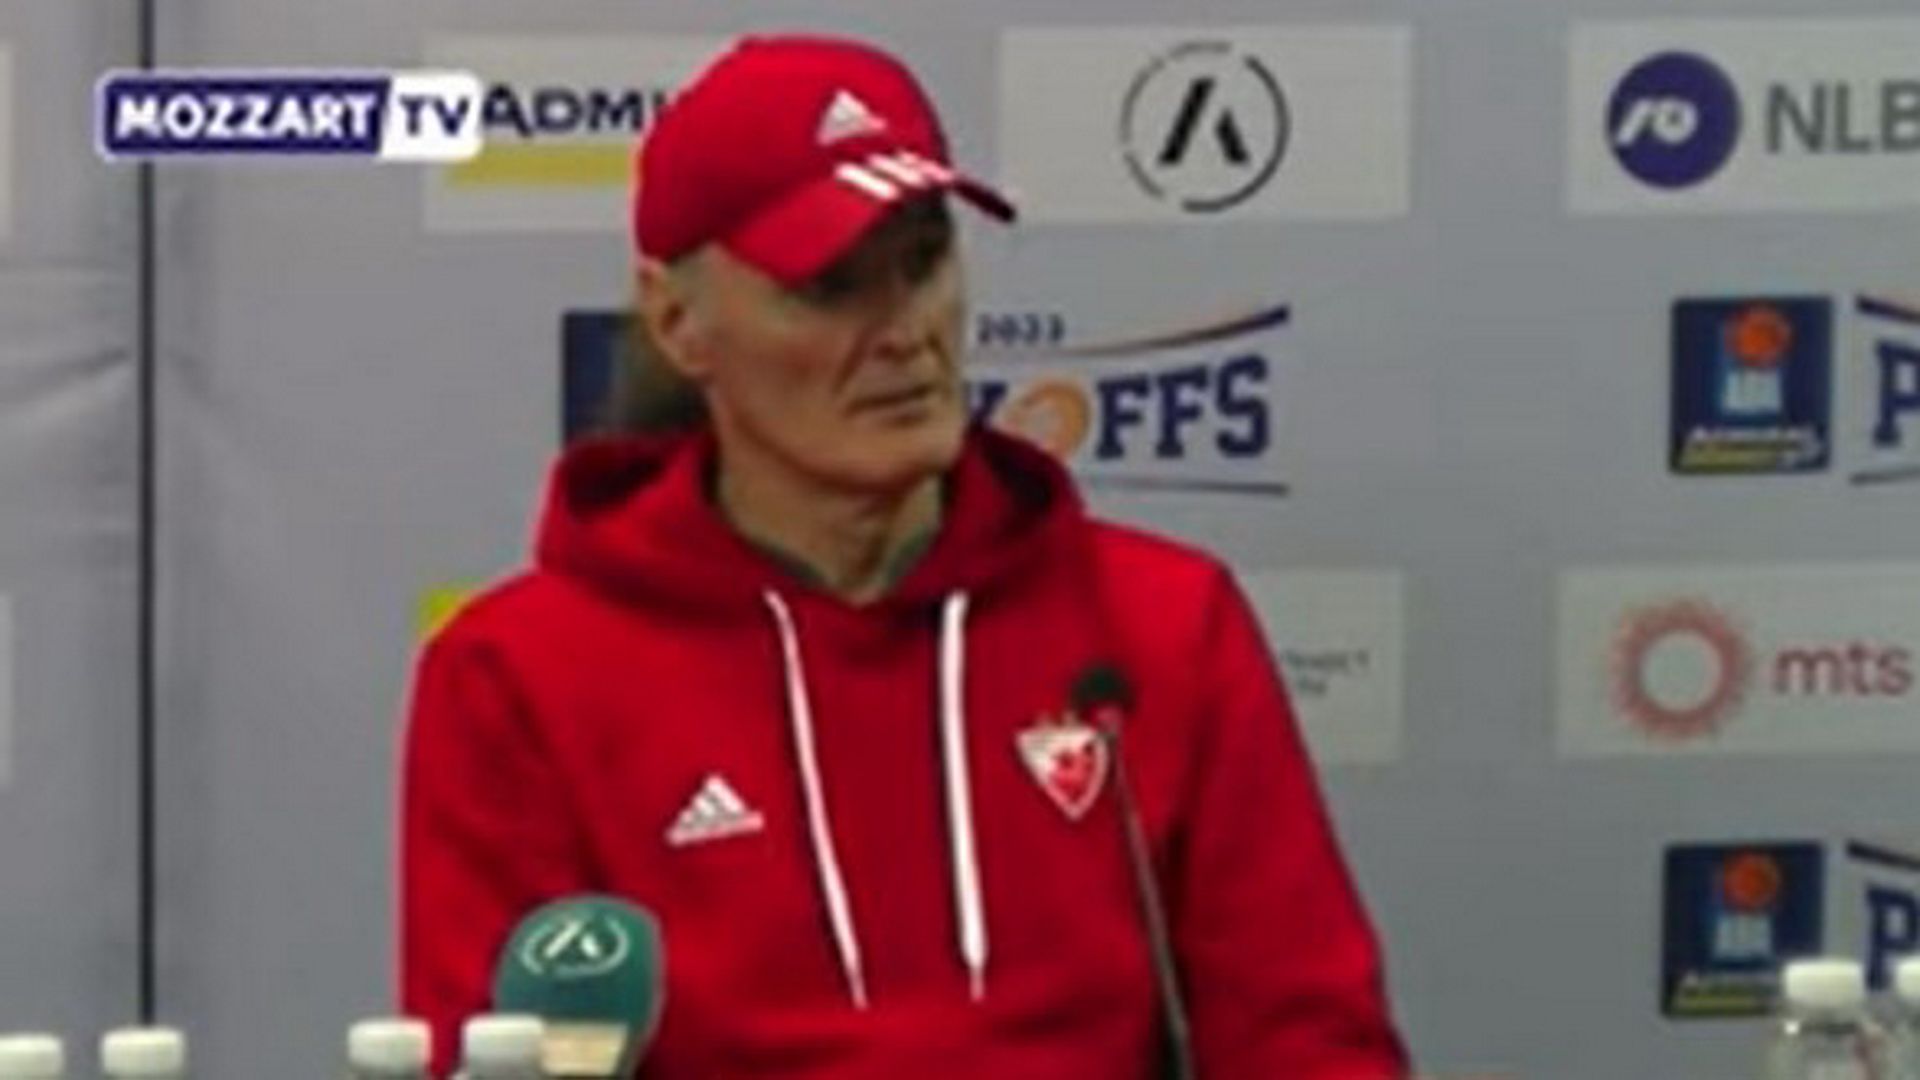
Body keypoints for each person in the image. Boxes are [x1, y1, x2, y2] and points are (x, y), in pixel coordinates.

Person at [400, 32, 1410, 1079]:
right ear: (679, 323)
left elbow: (1311, 1044)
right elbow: (494, 1055)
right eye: (830, 285)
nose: (905, 333)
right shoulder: (520, 674)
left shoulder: (1161, 625)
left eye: (924, 262)